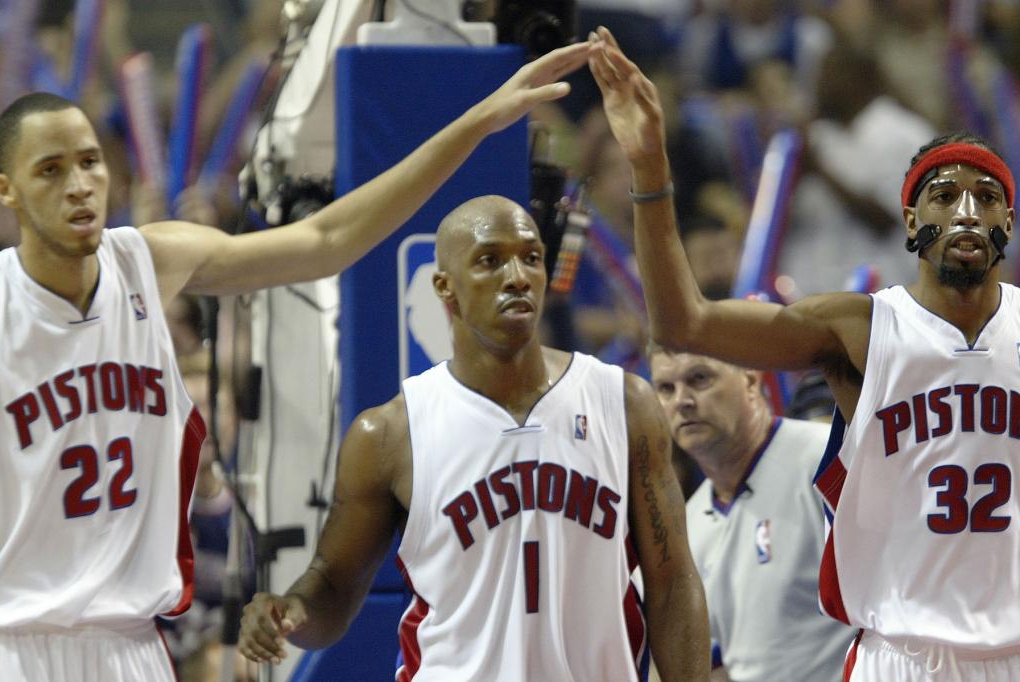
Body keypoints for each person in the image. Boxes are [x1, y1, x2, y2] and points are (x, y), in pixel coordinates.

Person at [0, 40, 593, 682]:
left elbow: (327, 239)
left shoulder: (146, 262)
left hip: (133, 646)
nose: (79, 185)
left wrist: (478, 122)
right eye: (50, 170)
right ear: (6, 190)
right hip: (17, 641)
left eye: (89, 162)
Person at [590, 25, 1020, 681]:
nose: (966, 212)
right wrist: (650, 168)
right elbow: (685, 321)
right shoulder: (861, 328)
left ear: (1007, 226)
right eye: (944, 195)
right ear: (911, 221)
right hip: (900, 653)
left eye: (986, 199)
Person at [237, 195, 711, 680]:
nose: (517, 276)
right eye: (490, 260)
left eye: (531, 257)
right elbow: (333, 587)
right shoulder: (390, 434)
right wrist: (288, 609)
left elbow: (672, 581)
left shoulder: (624, 402)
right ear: (445, 286)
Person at [649, 348, 854, 681]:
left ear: (750, 378)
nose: (682, 401)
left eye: (699, 378)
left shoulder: (824, 461)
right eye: (666, 388)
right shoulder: (686, 528)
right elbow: (713, 667)